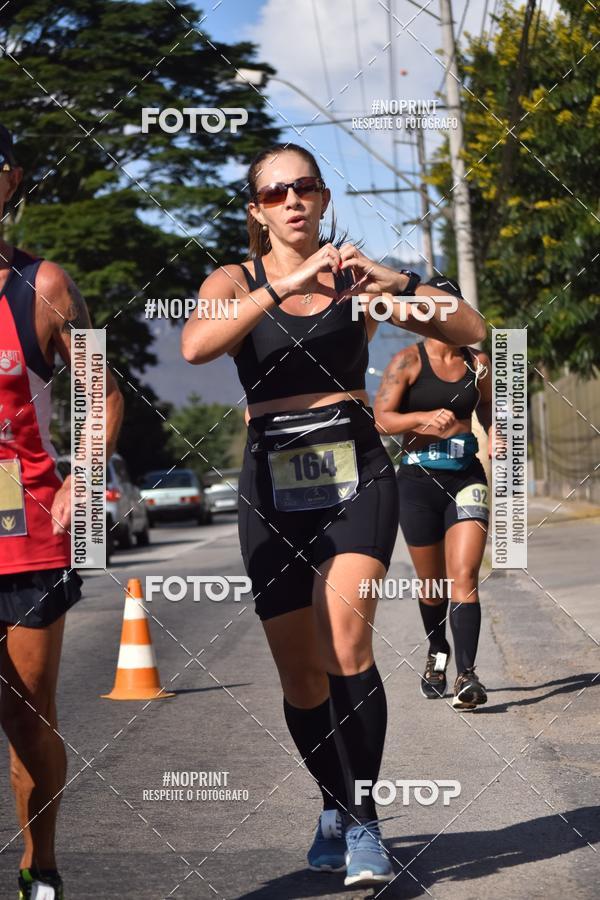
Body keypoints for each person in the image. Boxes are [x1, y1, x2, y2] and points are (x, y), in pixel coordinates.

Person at [181, 144, 485, 886]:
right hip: (271, 482)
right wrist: (285, 284)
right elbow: (196, 345)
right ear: (257, 210)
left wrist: (396, 279)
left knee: (346, 642)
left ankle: (365, 822)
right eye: (275, 191)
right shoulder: (233, 279)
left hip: (358, 471)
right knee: (301, 677)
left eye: (305, 187)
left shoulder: (354, 279)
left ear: (321, 199)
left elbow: (471, 331)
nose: (292, 199)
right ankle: (332, 806)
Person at [0, 124, 124, 900]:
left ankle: (39, 867)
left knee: (26, 718)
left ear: (9, 182)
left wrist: (85, 473)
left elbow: (103, 392)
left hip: (23, 530)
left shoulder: (42, 285)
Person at [374, 276, 493, 710]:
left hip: (467, 477)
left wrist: (494, 432)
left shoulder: (477, 362)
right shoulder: (406, 361)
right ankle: (436, 651)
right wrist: (419, 418)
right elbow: (380, 419)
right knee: (432, 586)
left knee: (464, 577)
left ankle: (467, 674)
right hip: (419, 483)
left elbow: (485, 403)